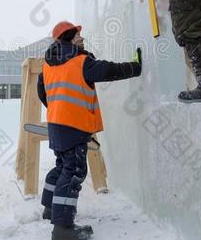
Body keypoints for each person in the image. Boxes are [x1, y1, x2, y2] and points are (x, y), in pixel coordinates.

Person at [37, 21, 142, 240]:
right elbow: (110, 70)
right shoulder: (81, 62)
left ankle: (49, 208)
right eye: (77, 36)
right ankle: (63, 228)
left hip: (57, 124)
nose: (81, 39)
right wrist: (135, 67)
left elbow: (42, 92)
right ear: (68, 39)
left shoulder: (47, 66)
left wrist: (58, 109)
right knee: (74, 171)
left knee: (62, 166)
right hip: (74, 125)